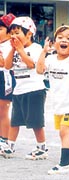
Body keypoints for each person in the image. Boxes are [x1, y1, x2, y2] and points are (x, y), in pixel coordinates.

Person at [37, 25, 69, 174]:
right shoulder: (51, 58)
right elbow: (39, 70)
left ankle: (64, 164)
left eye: (68, 38)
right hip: (58, 104)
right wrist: (44, 51)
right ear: (54, 42)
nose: (64, 40)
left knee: (64, 132)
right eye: (60, 37)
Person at [3, 16, 48, 160]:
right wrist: (12, 49)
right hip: (19, 90)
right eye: (12, 33)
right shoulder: (14, 49)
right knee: (15, 120)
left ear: (29, 34)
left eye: (17, 33)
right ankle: (10, 146)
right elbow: (7, 65)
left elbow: (31, 64)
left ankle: (42, 147)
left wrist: (21, 50)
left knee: (35, 121)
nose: (14, 36)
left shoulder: (36, 48)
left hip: (34, 90)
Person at [0, 13, 16, 155]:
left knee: (3, 110)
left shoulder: (11, 44)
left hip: (5, 77)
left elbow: (5, 64)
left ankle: (4, 140)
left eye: (0, 29)